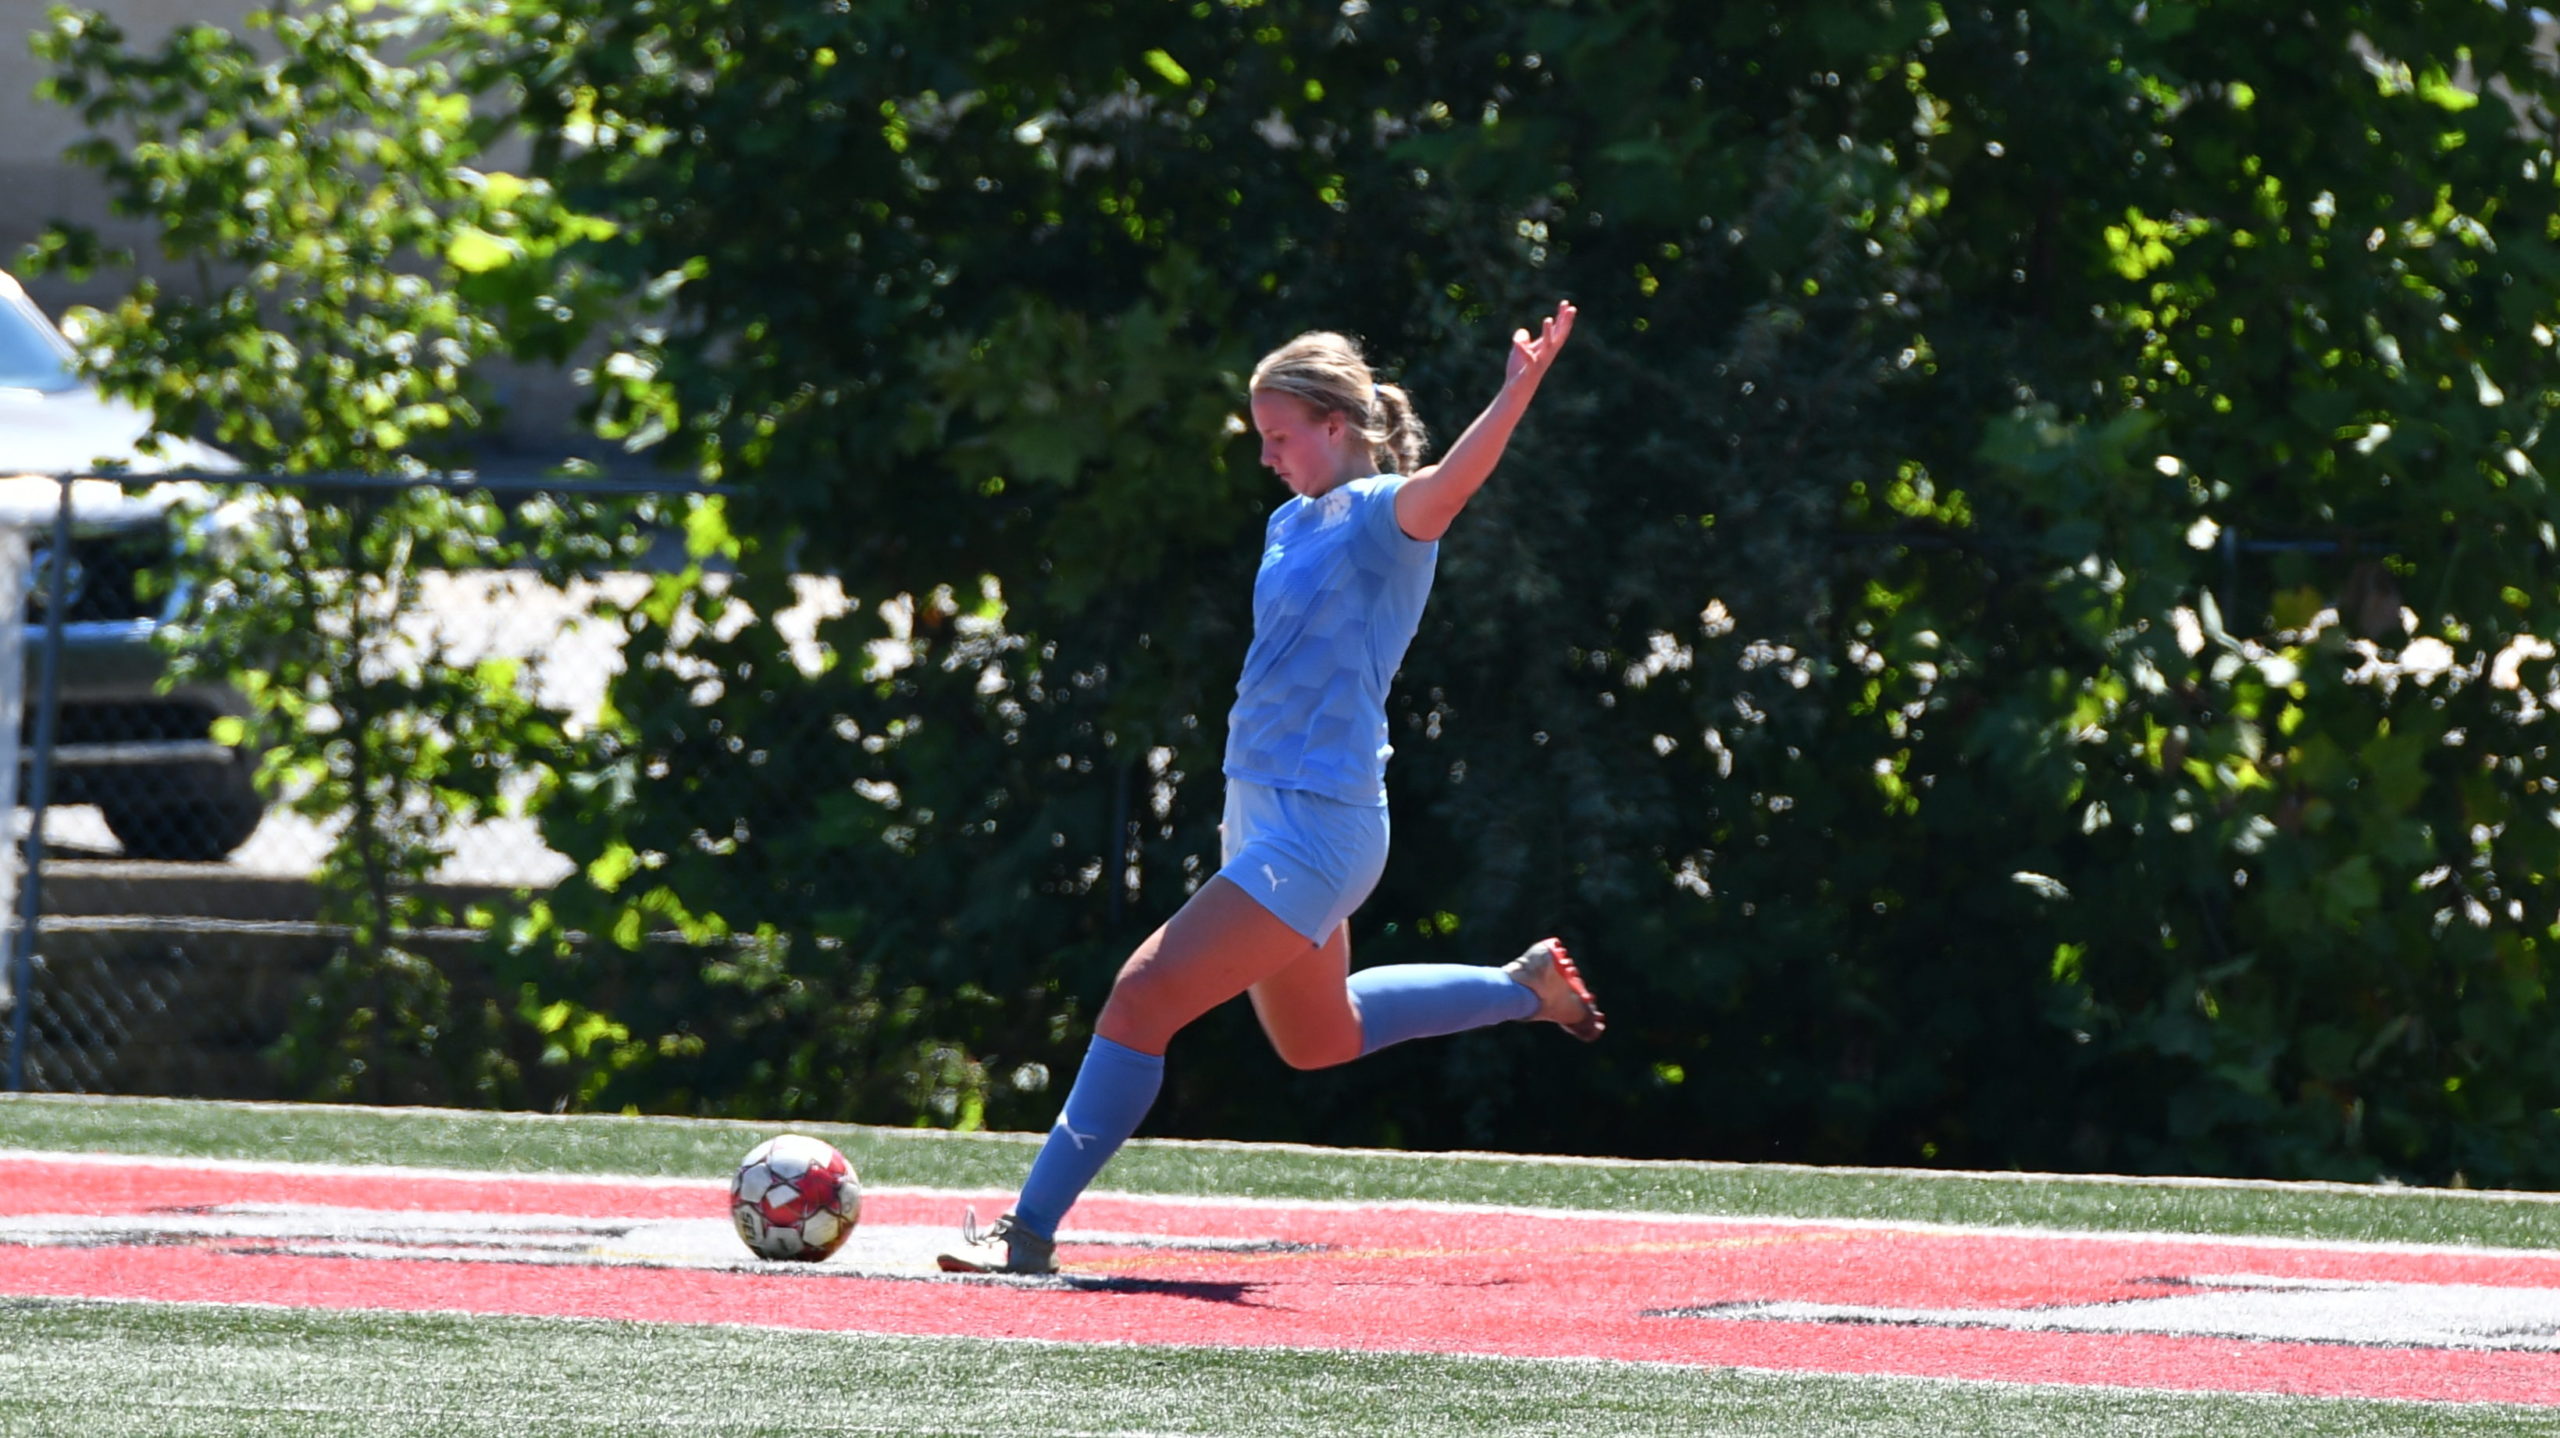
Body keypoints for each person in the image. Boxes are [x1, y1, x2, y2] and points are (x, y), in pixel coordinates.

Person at [940, 301, 1600, 1276]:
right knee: (1318, 1037)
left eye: (1280, 435)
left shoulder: (1386, 518)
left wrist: (1516, 391)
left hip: (1321, 830)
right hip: (1261, 813)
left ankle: (1026, 1231)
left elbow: (1451, 485)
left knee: (1139, 999)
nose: (1267, 455)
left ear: (1339, 428)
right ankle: (1521, 987)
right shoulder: (1288, 522)